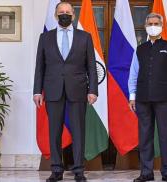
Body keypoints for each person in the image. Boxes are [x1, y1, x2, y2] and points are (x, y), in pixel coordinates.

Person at [33, 2, 98, 182]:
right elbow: (40, 66)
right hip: (52, 89)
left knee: (78, 131)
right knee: (54, 131)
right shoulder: (45, 38)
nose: (64, 14)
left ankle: (79, 170)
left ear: (73, 15)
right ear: (55, 15)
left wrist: (93, 90)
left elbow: (91, 67)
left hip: (78, 89)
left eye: (68, 12)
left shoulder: (85, 37)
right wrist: (37, 91)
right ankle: (56, 170)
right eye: (61, 12)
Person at [128, 13, 167, 182]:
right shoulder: (140, 49)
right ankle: (146, 172)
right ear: (146, 27)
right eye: (150, 23)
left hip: (164, 98)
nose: (153, 26)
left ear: (161, 26)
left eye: (156, 23)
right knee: (144, 136)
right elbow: (133, 74)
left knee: (165, 136)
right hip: (143, 98)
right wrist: (132, 96)